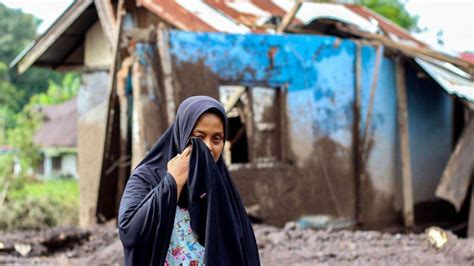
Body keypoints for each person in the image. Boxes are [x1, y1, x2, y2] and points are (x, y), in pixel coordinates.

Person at [118, 96, 260, 265]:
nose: (207, 147)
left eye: (216, 139)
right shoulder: (147, 178)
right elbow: (130, 233)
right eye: (199, 137)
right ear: (182, 135)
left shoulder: (221, 185)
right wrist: (172, 183)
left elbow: (242, 250)